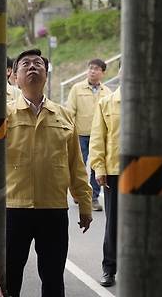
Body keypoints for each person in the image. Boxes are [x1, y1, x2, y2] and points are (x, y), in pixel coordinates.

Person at [3, 49, 92, 297]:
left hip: (53, 209)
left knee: (53, 277)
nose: (33, 67)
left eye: (38, 63)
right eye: (26, 64)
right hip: (14, 208)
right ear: (15, 77)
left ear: (46, 74)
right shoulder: (4, 114)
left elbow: (76, 164)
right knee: (9, 277)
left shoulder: (63, 115)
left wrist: (84, 202)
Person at [66, 58, 111, 211]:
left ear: (102, 73)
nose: (93, 71)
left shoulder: (107, 92)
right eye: (90, 68)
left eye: (96, 69)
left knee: (96, 167)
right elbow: (70, 112)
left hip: (98, 136)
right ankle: (78, 192)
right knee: (78, 166)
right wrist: (69, 132)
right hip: (80, 134)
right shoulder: (77, 89)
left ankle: (94, 198)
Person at [89, 83, 121, 287]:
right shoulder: (107, 103)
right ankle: (109, 268)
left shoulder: (152, 101)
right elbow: (97, 138)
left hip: (147, 170)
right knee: (114, 223)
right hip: (115, 171)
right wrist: (99, 168)